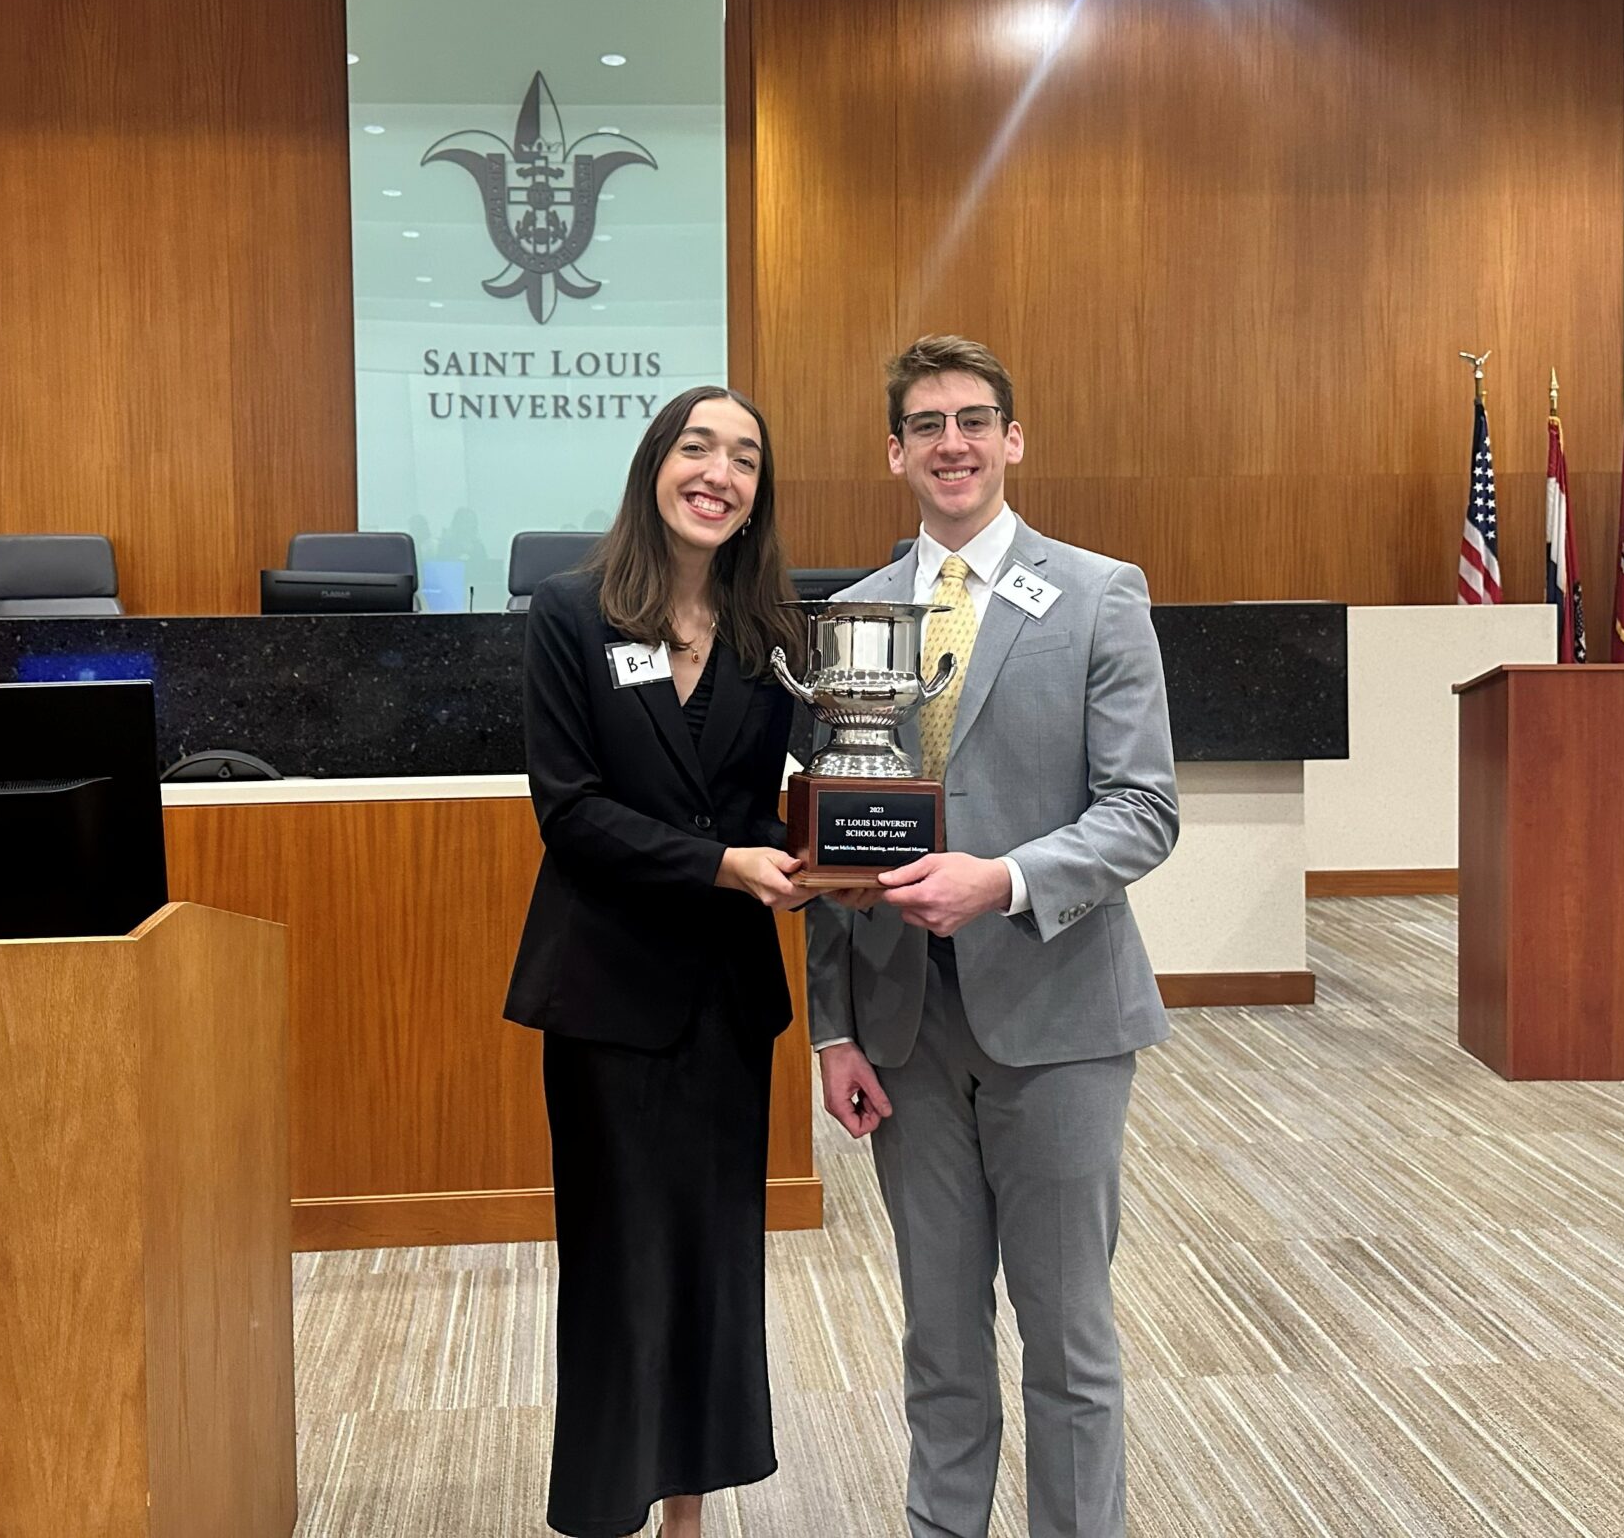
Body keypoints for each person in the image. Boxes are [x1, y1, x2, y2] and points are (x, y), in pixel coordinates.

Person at [806, 334, 1179, 1538]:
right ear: (896, 453)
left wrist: (1004, 881)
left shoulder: (1098, 592)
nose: (951, 444)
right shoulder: (853, 617)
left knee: (1066, 1335)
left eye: (974, 420)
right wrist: (833, 1032)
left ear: (1012, 439)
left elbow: (1142, 810)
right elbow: (825, 847)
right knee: (938, 1333)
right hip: (904, 1032)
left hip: (1059, 1017)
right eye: (926, 425)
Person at [503, 385, 810, 1538]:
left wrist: (818, 852)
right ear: (656, 465)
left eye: (743, 458)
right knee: (618, 1265)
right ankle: (604, 1506)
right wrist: (722, 866)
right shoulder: (572, 612)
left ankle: (687, 1511)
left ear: (755, 495)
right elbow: (568, 812)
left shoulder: (775, 636)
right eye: (698, 447)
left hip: (725, 1003)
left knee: (712, 1264)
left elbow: (761, 810)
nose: (718, 472)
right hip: (604, 995)